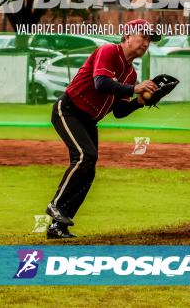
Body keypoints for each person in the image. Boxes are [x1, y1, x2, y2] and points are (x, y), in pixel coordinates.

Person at [44, 19, 160, 239]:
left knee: (88, 170)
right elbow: (101, 82)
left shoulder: (131, 74)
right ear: (127, 35)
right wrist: (135, 88)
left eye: (150, 39)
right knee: (85, 156)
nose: (146, 42)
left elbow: (119, 111)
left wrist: (139, 102)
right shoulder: (108, 51)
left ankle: (58, 227)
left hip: (89, 120)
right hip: (68, 110)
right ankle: (56, 205)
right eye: (143, 36)